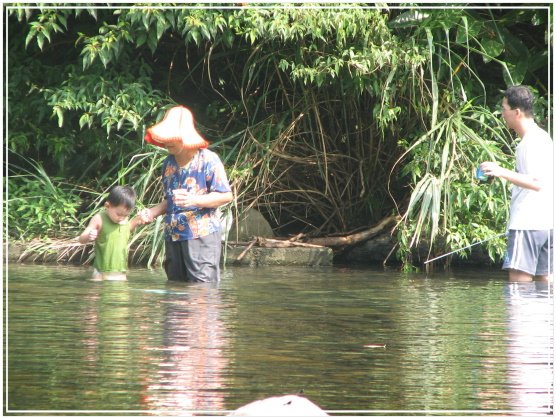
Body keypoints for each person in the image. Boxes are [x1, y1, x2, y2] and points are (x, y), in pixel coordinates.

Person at [140, 105, 233, 282]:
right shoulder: (168, 163)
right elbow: (171, 200)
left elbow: (226, 195)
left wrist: (195, 200)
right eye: (165, 137)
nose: (167, 142)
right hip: (173, 235)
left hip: (201, 236)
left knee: (201, 290)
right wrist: (152, 212)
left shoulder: (208, 159)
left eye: (172, 137)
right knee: (175, 289)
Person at [480, 85, 553, 282]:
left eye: (504, 109)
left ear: (517, 112)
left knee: (519, 292)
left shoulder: (530, 142)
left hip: (526, 224)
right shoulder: (543, 137)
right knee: (545, 289)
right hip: (546, 225)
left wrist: (499, 170)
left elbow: (537, 182)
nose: (502, 114)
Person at [78, 185, 144, 280]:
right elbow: (81, 239)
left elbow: (127, 229)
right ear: (107, 206)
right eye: (119, 214)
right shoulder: (99, 219)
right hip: (101, 272)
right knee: (94, 292)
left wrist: (139, 219)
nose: (121, 218)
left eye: (125, 215)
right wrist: (89, 235)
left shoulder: (125, 220)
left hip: (121, 272)